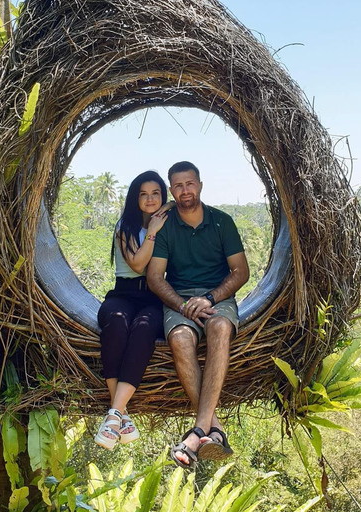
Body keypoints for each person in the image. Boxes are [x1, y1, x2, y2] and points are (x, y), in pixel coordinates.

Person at [146, 161, 249, 469]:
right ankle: (214, 429)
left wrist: (209, 298)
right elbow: (155, 277)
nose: (185, 190)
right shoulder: (166, 227)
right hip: (179, 300)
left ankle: (199, 431)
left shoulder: (221, 222)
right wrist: (182, 305)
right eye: (178, 186)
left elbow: (241, 272)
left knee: (220, 327)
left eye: (190, 183)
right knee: (179, 338)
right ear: (171, 190)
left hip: (217, 297)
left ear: (200, 185)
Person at [94, 170, 173, 450]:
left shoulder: (168, 222)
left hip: (154, 297)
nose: (150, 199)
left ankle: (114, 415)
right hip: (123, 294)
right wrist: (152, 232)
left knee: (143, 329)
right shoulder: (125, 226)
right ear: (134, 198)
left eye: (156, 193)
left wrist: (165, 210)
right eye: (143, 194)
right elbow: (138, 265)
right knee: (116, 324)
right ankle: (120, 414)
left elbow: (178, 203)